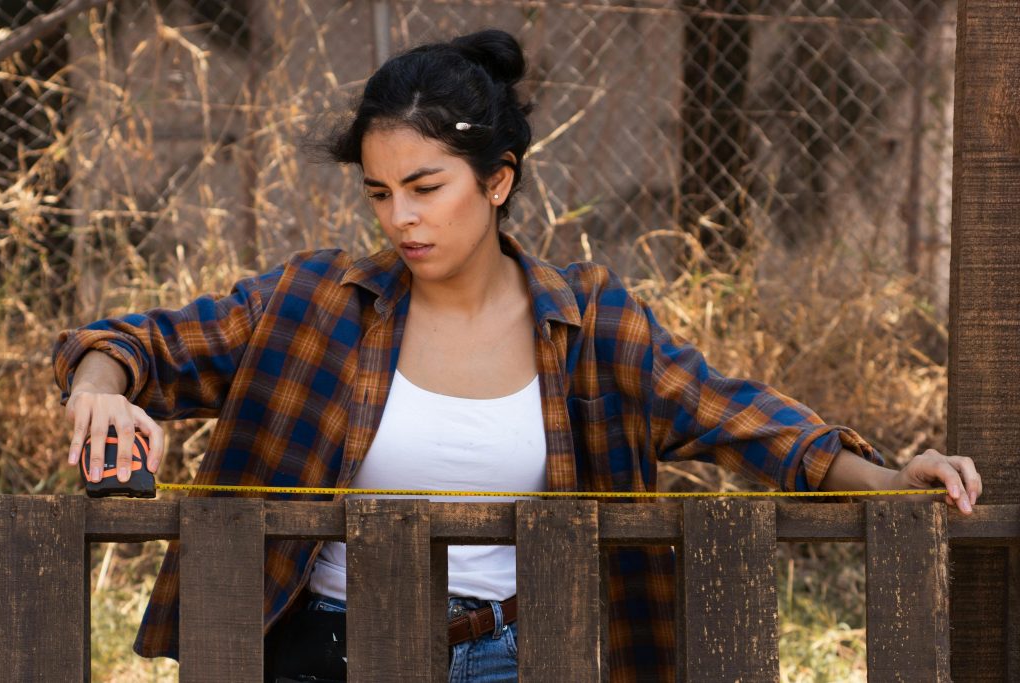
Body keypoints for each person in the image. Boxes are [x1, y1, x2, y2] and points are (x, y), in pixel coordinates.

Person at [54, 29, 981, 683]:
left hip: (521, 651)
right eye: (380, 192)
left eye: (426, 186)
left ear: (497, 181)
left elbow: (741, 418)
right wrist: (100, 390)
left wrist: (893, 475)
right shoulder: (315, 304)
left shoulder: (591, 324)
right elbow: (136, 346)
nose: (400, 217)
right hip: (322, 650)